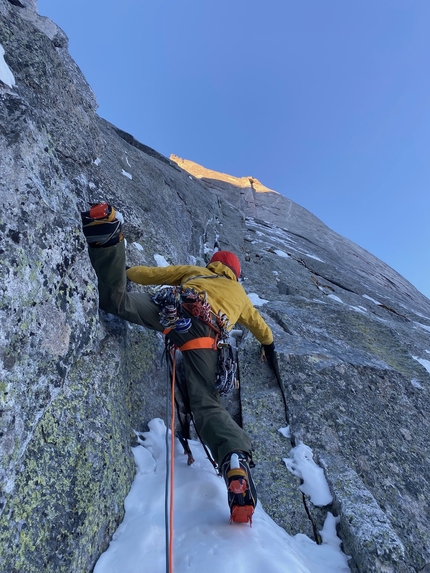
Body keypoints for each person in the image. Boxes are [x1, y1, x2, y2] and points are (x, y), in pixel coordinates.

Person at [81, 203, 276, 524]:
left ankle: (107, 237)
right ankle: (235, 463)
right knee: (208, 407)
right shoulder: (240, 295)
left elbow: (149, 275)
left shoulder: (196, 271)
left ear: (213, 265)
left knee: (116, 300)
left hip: (173, 309)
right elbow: (260, 328)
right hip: (206, 336)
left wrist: (124, 272)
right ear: (236, 274)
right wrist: (268, 347)